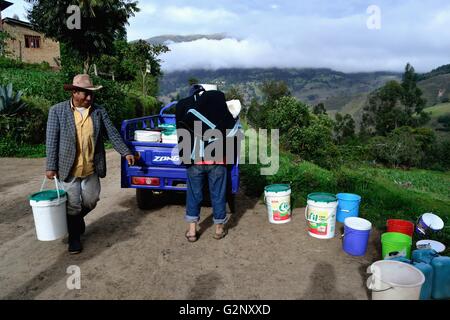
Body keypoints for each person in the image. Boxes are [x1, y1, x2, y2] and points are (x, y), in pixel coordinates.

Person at [45, 74, 135, 254]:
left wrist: (126, 152)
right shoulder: (58, 111)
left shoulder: (99, 111)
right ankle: (74, 238)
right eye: (85, 94)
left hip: (91, 167)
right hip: (67, 168)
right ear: (74, 93)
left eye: (91, 95)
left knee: (91, 200)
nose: (89, 98)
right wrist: (50, 165)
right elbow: (51, 139)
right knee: (73, 204)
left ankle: (75, 222)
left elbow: (112, 133)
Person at [177, 85, 238, 242]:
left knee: (194, 194)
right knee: (218, 194)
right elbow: (233, 137)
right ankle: (219, 229)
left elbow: (183, 134)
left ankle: (192, 231)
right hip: (218, 160)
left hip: (195, 159)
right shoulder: (225, 116)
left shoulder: (193, 115)